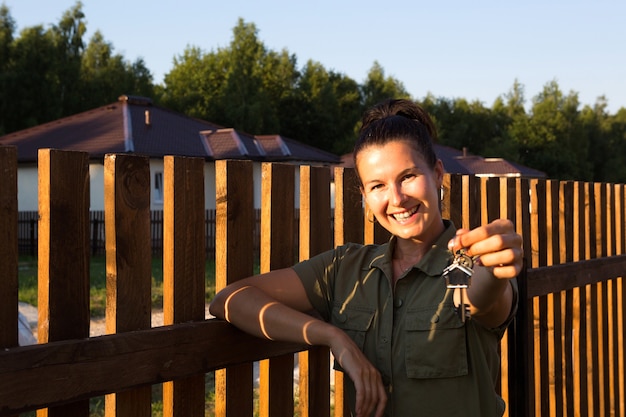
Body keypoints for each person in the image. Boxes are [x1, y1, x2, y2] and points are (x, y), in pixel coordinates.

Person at [209, 98, 523, 417]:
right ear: (364, 195)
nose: (397, 198)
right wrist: (333, 337)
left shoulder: (466, 263)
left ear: (438, 174)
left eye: (408, 176)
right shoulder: (346, 268)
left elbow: (477, 297)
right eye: (378, 186)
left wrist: (496, 269)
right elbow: (229, 300)